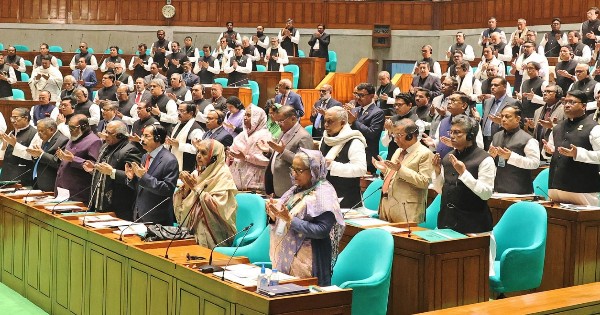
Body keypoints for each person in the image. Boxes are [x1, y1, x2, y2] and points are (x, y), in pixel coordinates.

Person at [266, 149, 345, 286]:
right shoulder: (295, 189)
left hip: (309, 261)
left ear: (313, 170)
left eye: (299, 170)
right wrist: (274, 215)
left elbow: (322, 230)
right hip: (284, 258)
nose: (294, 174)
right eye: (293, 169)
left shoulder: (324, 193)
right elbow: (283, 218)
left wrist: (289, 219)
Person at [433, 115, 496, 234]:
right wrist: (436, 172)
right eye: (451, 132)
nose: (452, 136)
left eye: (457, 132)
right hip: (446, 223)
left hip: (474, 228)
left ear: (470, 136)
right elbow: (441, 190)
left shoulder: (485, 159)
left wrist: (463, 173)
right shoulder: (448, 158)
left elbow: (486, 194)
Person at [174, 139, 238, 248]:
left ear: (214, 157)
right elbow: (184, 198)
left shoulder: (223, 175)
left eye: (203, 153)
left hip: (214, 229)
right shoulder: (198, 172)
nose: (198, 155)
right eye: (198, 151)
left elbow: (217, 206)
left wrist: (195, 188)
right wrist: (186, 187)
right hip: (192, 228)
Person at [543, 90, 600, 205]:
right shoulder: (557, 127)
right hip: (555, 188)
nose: (567, 105)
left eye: (572, 102)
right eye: (566, 102)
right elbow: (550, 151)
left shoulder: (594, 128)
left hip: (582, 189)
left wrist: (577, 153)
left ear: (584, 106)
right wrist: (548, 152)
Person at [373, 119, 433, 223]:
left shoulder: (425, 153)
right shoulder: (398, 151)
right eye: (394, 135)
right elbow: (393, 174)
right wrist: (384, 170)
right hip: (386, 205)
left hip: (407, 210)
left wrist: (400, 169)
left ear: (411, 136)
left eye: (398, 135)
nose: (395, 139)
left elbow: (424, 182)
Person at [84, 121, 143, 220]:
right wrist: (94, 169)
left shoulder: (130, 150)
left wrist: (112, 172)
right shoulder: (105, 146)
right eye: (105, 132)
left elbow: (134, 177)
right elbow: (105, 171)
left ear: (120, 135)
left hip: (118, 206)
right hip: (98, 202)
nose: (105, 135)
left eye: (109, 133)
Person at [126, 124, 179, 226]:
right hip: (139, 214)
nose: (142, 139)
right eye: (142, 136)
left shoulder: (170, 160)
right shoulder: (145, 156)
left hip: (157, 219)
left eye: (146, 136)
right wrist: (131, 178)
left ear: (158, 138)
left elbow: (168, 189)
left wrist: (144, 176)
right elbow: (141, 186)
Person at [318, 107, 367, 208]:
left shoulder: (355, 141)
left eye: (330, 121)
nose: (326, 125)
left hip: (347, 200)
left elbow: (361, 169)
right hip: (325, 196)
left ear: (343, 123)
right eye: (325, 121)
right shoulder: (325, 138)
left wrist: (332, 165)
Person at [261, 105, 313, 197]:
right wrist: (269, 151)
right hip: (277, 187)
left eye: (281, 121)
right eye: (277, 121)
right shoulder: (283, 132)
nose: (278, 124)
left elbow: (306, 163)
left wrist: (283, 152)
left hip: (291, 189)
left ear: (293, 119)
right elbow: (278, 154)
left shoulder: (304, 136)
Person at [489, 105, 540, 194]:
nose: (503, 119)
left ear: (517, 119)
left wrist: (511, 157)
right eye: (502, 116)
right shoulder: (496, 136)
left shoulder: (529, 139)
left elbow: (535, 163)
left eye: (507, 116)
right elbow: (490, 160)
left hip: (520, 191)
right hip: (498, 189)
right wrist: (491, 157)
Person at [55, 115, 102, 202]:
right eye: (69, 127)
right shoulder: (74, 137)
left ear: (83, 126)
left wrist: (73, 159)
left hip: (78, 192)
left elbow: (94, 167)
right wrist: (61, 157)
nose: (70, 130)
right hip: (62, 190)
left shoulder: (94, 141)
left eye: (72, 128)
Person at [228, 106, 272, 191]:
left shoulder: (265, 135)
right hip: (238, 180)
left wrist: (245, 157)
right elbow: (234, 152)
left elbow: (266, 161)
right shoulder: (242, 135)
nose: (245, 117)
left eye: (249, 115)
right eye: (245, 115)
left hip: (256, 182)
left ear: (257, 118)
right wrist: (230, 155)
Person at [347, 82, 384, 174]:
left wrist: (354, 121)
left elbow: (372, 133)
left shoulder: (377, 113)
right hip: (351, 153)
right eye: (357, 94)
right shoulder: (355, 110)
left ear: (371, 96)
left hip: (367, 156)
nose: (358, 98)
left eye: (361, 95)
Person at [26, 118, 68, 192]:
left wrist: (41, 154)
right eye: (38, 131)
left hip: (51, 184)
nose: (39, 134)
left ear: (51, 130)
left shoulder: (62, 140)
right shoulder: (47, 139)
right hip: (39, 182)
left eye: (41, 131)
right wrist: (35, 156)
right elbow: (41, 157)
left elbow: (58, 163)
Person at [0, 108, 38, 187]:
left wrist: (15, 145)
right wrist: (4, 146)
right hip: (6, 174)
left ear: (26, 118)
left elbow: (32, 155)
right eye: (12, 118)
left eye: (16, 118)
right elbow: (2, 156)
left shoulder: (35, 133)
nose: (13, 121)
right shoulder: (12, 132)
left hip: (22, 175)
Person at [526, 84, 566, 154]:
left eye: (549, 91)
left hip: (555, 150)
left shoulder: (564, 111)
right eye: (544, 92)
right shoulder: (538, 111)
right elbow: (535, 134)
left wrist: (553, 126)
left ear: (558, 94)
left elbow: (567, 131)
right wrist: (532, 128)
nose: (544, 93)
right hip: (537, 150)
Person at [165, 102, 204, 172]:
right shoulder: (179, 124)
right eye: (178, 110)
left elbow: (197, 149)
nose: (179, 113)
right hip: (173, 161)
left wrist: (179, 145)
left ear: (191, 113)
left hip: (186, 166)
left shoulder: (196, 129)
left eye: (182, 111)